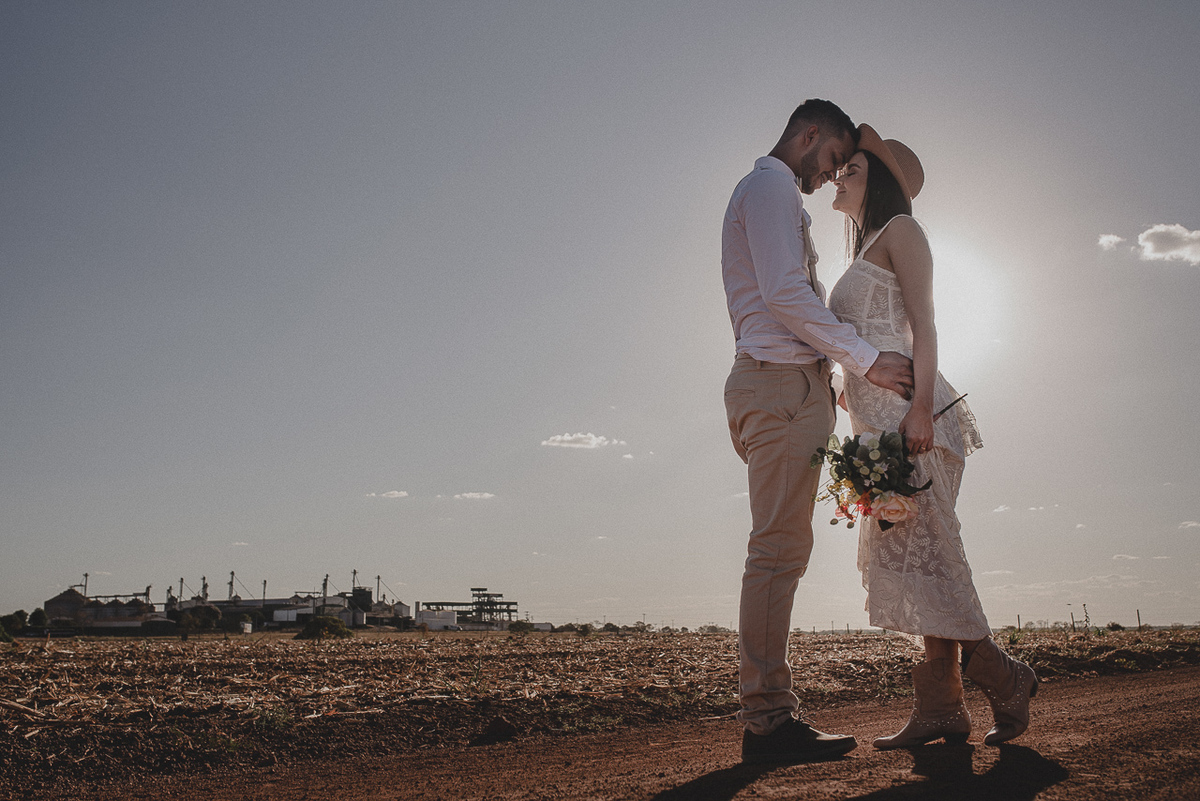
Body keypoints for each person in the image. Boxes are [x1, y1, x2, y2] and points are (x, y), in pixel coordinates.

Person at [827, 124, 1038, 748]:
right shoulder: (862, 253)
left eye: (853, 169)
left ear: (880, 182)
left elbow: (925, 325)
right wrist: (846, 386)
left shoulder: (902, 231)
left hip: (913, 423)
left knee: (935, 558)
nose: (839, 175)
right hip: (876, 430)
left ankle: (1005, 677)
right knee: (921, 569)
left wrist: (919, 409)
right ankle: (941, 711)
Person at [722, 100, 915, 765]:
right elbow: (784, 292)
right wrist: (865, 359)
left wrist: (826, 381)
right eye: (832, 159)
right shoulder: (771, 186)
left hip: (788, 386)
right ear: (808, 135)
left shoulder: (773, 195)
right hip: (778, 385)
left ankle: (769, 715)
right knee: (777, 551)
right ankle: (768, 722)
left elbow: (781, 295)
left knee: (784, 549)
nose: (831, 174)